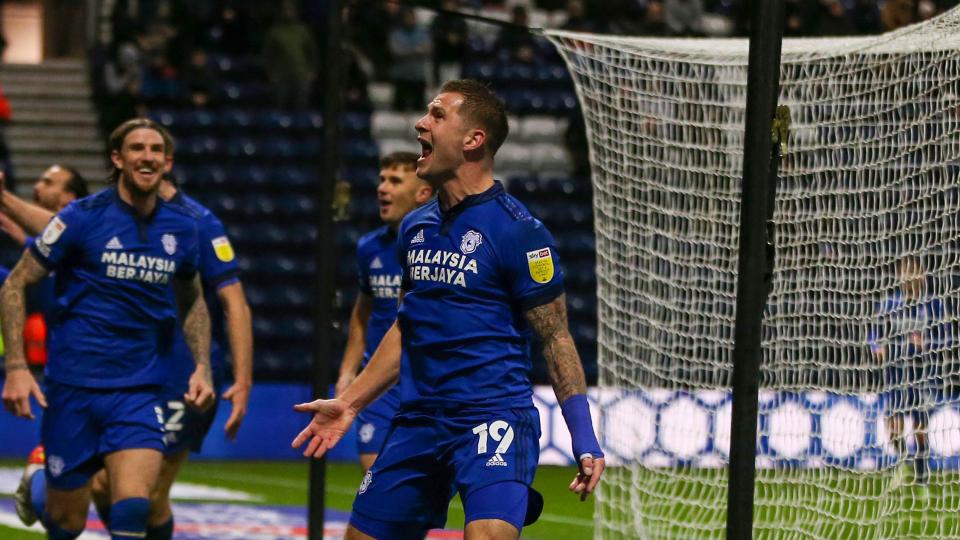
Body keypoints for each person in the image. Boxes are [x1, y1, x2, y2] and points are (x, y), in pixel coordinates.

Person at [293, 80, 604, 539]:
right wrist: (351, 403)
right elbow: (407, 325)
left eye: (437, 115)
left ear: (473, 139)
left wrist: (583, 436)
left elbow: (555, 336)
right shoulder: (415, 228)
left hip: (492, 416)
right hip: (418, 419)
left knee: (488, 535)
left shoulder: (520, 231)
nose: (421, 123)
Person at [8, 125, 254, 540]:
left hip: (139, 390)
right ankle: (39, 485)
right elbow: (15, 283)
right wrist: (16, 365)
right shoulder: (81, 218)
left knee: (134, 511)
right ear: (117, 159)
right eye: (136, 148)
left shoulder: (184, 228)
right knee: (66, 522)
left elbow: (193, 300)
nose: (148, 156)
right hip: (73, 388)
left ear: (167, 163)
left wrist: (202, 368)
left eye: (157, 149)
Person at [336, 151, 433, 474]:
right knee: (375, 482)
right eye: (381, 180)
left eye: (394, 181)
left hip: (425, 383)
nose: (382, 188)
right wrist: (348, 371)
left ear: (422, 193)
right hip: (379, 386)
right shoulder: (369, 247)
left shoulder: (438, 246)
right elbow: (362, 312)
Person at [869, 255, 951, 488]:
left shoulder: (932, 306)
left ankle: (922, 475)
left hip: (921, 374)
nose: (909, 275)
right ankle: (903, 462)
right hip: (894, 374)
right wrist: (878, 348)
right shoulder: (889, 304)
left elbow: (945, 337)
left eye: (914, 269)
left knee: (919, 427)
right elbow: (873, 335)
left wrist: (927, 344)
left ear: (922, 274)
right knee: (893, 428)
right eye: (905, 270)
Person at [0, 165, 89, 246]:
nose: (37, 187)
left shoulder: (80, 239)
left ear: (68, 198)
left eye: (48, 183)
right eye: (40, 181)